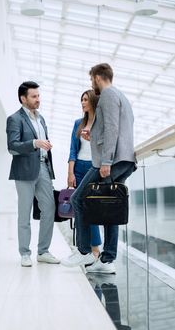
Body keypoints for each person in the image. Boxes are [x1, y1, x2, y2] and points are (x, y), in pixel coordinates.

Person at [61, 63, 136, 273]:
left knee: (78, 198)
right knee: (111, 207)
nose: (90, 83)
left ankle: (84, 253)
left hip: (111, 161)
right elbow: (118, 128)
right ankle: (107, 260)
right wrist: (93, 136)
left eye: (91, 79)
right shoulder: (121, 96)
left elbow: (112, 128)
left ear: (97, 77)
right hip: (125, 160)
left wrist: (106, 161)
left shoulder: (108, 95)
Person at [6, 81, 60, 267]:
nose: (38, 99)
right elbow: (12, 146)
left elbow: (43, 141)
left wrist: (45, 145)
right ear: (23, 98)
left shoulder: (41, 118)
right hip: (24, 171)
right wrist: (34, 144)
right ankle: (25, 253)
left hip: (43, 167)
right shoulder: (15, 119)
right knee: (24, 213)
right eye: (34, 96)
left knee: (49, 208)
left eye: (38, 96)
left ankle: (43, 251)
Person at [67, 90, 101, 257]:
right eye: (81, 100)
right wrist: (70, 173)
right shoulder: (78, 123)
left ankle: (94, 250)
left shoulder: (100, 123)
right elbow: (73, 150)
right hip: (79, 168)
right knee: (80, 208)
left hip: (93, 169)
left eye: (86, 99)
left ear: (93, 101)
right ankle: (84, 249)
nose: (82, 102)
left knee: (90, 209)